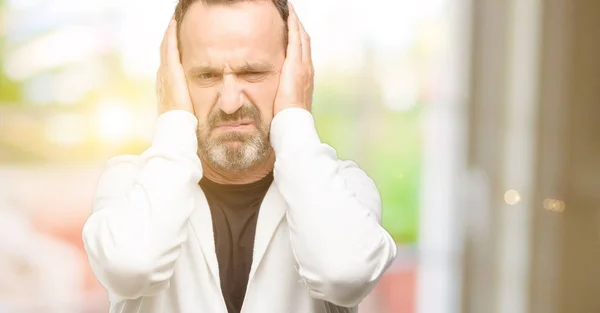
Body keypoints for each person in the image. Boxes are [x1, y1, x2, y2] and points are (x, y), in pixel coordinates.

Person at [82, 1, 397, 312]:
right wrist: (174, 119)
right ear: (173, 77)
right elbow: (133, 266)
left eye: (253, 72)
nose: (230, 102)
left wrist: (294, 117)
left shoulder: (345, 189)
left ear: (295, 72)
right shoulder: (126, 185)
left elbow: (343, 274)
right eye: (206, 75)